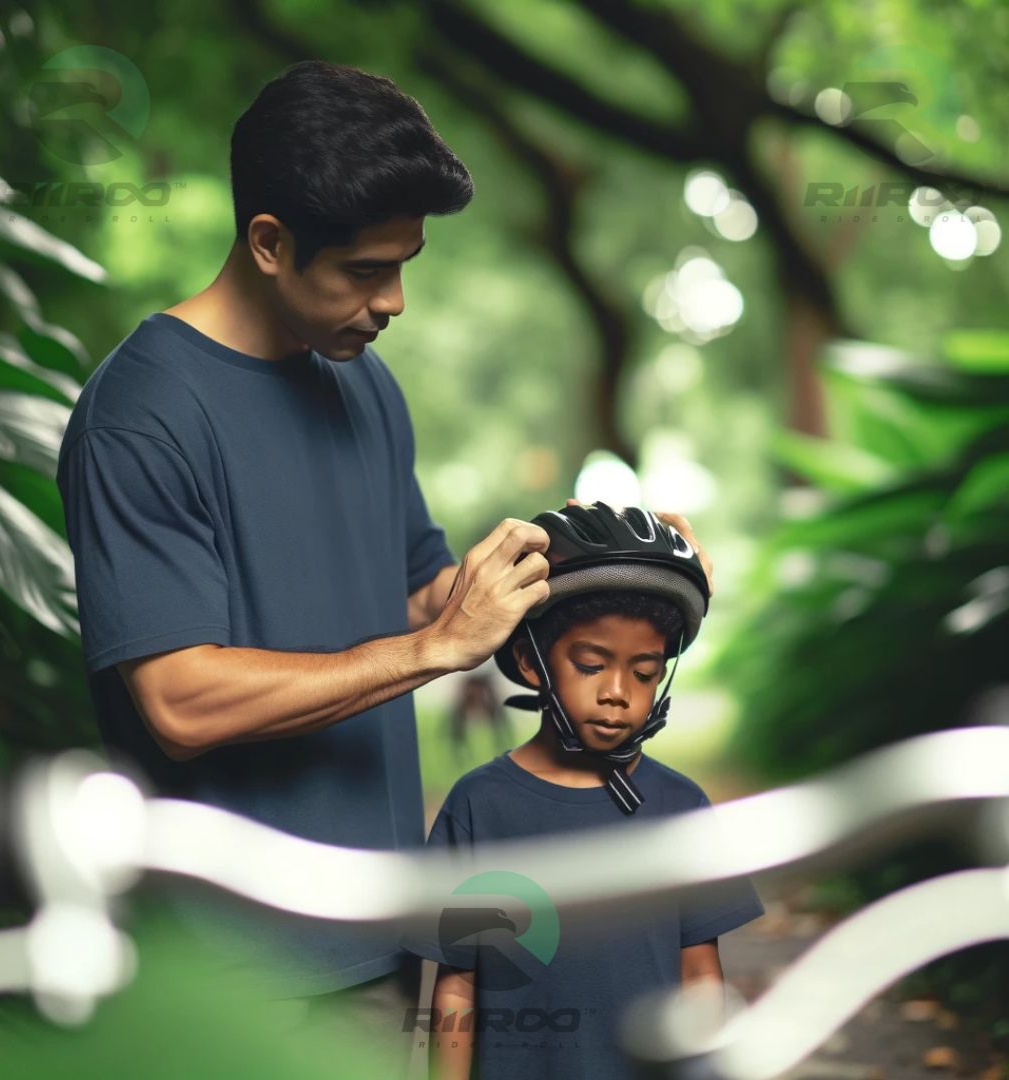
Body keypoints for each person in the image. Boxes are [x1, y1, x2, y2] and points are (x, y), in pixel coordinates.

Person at [54, 59, 712, 1074]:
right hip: (225, 965)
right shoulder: (145, 414)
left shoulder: (363, 385)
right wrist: (430, 647)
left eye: (405, 265)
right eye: (365, 271)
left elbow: (417, 597)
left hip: (378, 935)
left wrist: (594, 557)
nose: (393, 300)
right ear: (269, 243)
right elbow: (176, 702)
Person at [403, 502, 761, 1080]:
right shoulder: (479, 805)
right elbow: (456, 989)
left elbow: (700, 979)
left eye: (644, 672)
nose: (618, 691)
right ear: (530, 661)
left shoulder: (682, 810)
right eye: (592, 664)